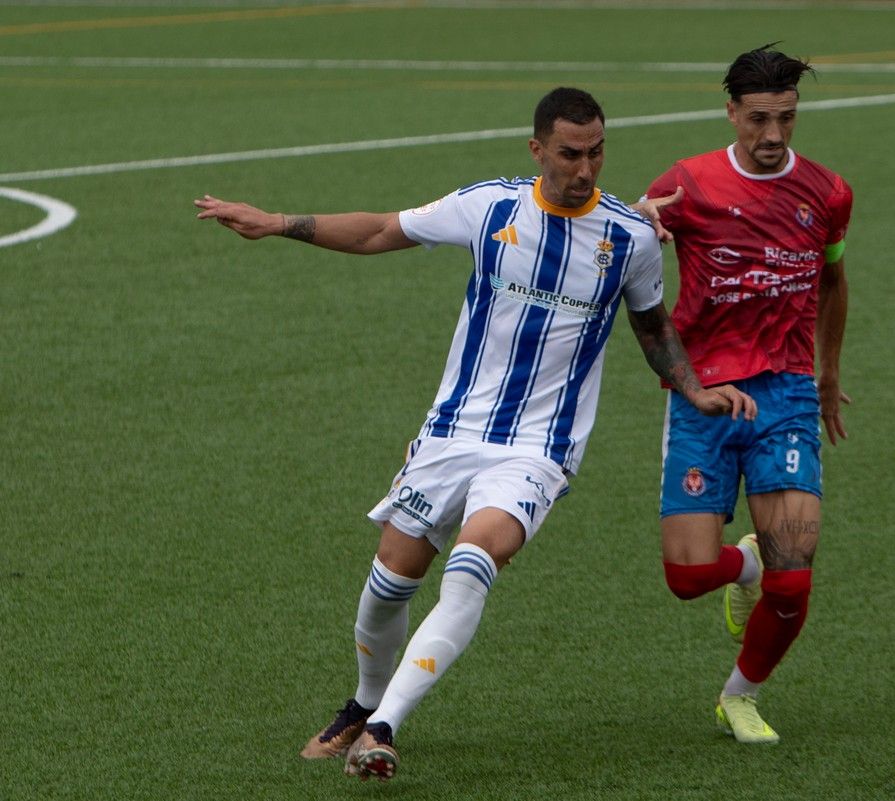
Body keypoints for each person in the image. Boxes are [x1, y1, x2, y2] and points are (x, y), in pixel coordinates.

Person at [194, 87, 755, 781]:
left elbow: (650, 323)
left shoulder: (630, 237)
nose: (585, 169)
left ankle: (383, 728)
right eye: (569, 154)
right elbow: (379, 230)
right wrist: (277, 222)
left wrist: (692, 387)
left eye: (596, 153)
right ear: (538, 150)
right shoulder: (490, 206)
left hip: (538, 449)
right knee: (389, 583)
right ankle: (363, 700)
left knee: (469, 568)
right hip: (452, 430)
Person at [640, 45, 853, 745]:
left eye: (785, 119)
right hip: (701, 393)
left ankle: (740, 695)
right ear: (730, 112)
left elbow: (830, 282)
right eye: (758, 119)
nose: (771, 136)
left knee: (795, 578)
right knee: (687, 575)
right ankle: (746, 562)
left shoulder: (826, 193)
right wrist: (639, 222)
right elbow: (627, 253)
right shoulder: (687, 184)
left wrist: (825, 376)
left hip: (785, 393)